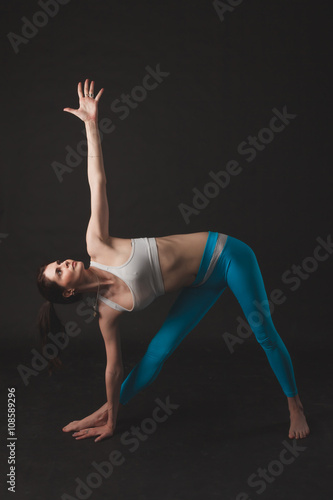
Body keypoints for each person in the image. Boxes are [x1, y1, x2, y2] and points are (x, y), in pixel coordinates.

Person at [36, 79, 310, 443]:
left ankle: (295, 405)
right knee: (156, 353)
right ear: (67, 294)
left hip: (227, 255)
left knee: (263, 333)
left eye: (58, 262)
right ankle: (105, 410)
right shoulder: (107, 312)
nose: (65, 262)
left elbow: (97, 182)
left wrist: (90, 125)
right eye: (58, 271)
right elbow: (114, 369)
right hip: (202, 283)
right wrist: (112, 416)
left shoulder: (97, 244)